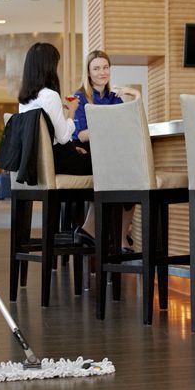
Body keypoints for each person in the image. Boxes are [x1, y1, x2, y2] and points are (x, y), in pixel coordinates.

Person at [70, 50, 140, 251]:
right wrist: (109, 126)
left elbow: (131, 124)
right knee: (124, 173)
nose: (102, 72)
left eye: (105, 67)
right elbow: (81, 135)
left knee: (133, 173)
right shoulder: (80, 97)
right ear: (89, 72)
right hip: (88, 152)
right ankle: (114, 235)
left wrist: (136, 95)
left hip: (112, 153)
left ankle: (113, 233)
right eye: (97, 68)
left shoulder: (113, 97)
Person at [17, 42, 90, 175]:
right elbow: (62, 138)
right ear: (48, 67)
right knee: (101, 163)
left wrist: (73, 149)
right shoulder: (50, 96)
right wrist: (72, 110)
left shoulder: (24, 101)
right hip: (58, 161)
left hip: (37, 162)